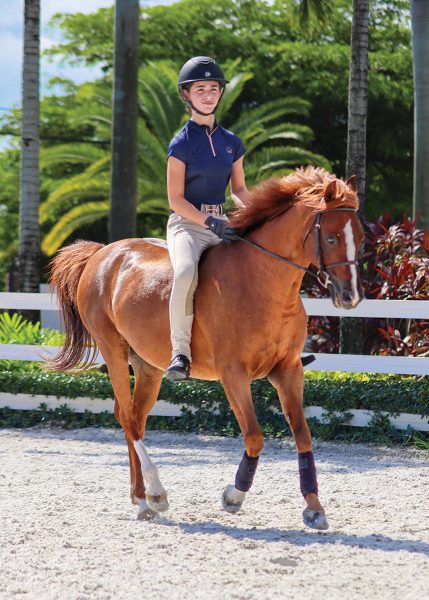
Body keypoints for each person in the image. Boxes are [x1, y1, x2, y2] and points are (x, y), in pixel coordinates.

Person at [165, 56, 249, 381]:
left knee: (262, 267)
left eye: (213, 88)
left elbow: (239, 188)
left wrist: (255, 214)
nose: (208, 94)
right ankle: (180, 353)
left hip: (223, 223)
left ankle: (275, 345)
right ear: (187, 94)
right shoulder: (181, 143)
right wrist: (207, 221)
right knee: (186, 273)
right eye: (200, 89)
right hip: (187, 225)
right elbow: (175, 199)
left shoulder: (231, 143)